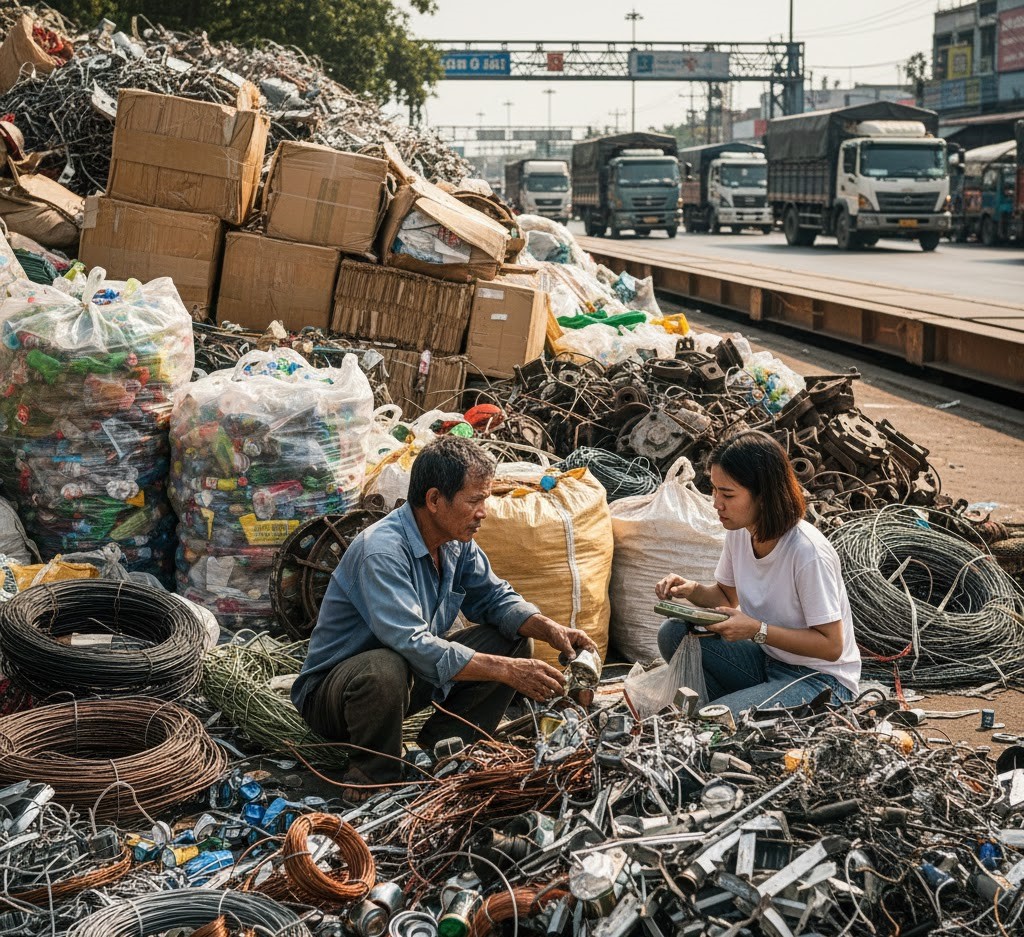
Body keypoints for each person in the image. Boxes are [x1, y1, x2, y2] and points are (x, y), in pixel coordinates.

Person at [292, 435, 597, 797]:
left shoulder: (456, 543)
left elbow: (495, 598)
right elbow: (412, 643)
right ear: (435, 500)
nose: (483, 511)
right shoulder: (382, 551)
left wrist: (547, 627)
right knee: (384, 666)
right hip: (338, 698)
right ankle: (373, 772)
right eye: (475, 500)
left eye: (484, 499)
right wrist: (505, 670)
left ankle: (445, 748)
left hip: (408, 679)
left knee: (513, 639)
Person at [656, 430, 860, 715]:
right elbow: (726, 597)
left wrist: (757, 630)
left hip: (820, 681)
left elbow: (832, 646)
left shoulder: (807, 552)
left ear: (764, 495)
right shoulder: (741, 532)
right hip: (767, 660)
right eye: (714, 489)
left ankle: (733, 708)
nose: (716, 503)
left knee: (714, 724)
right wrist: (689, 589)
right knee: (674, 633)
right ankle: (743, 704)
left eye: (727, 494)